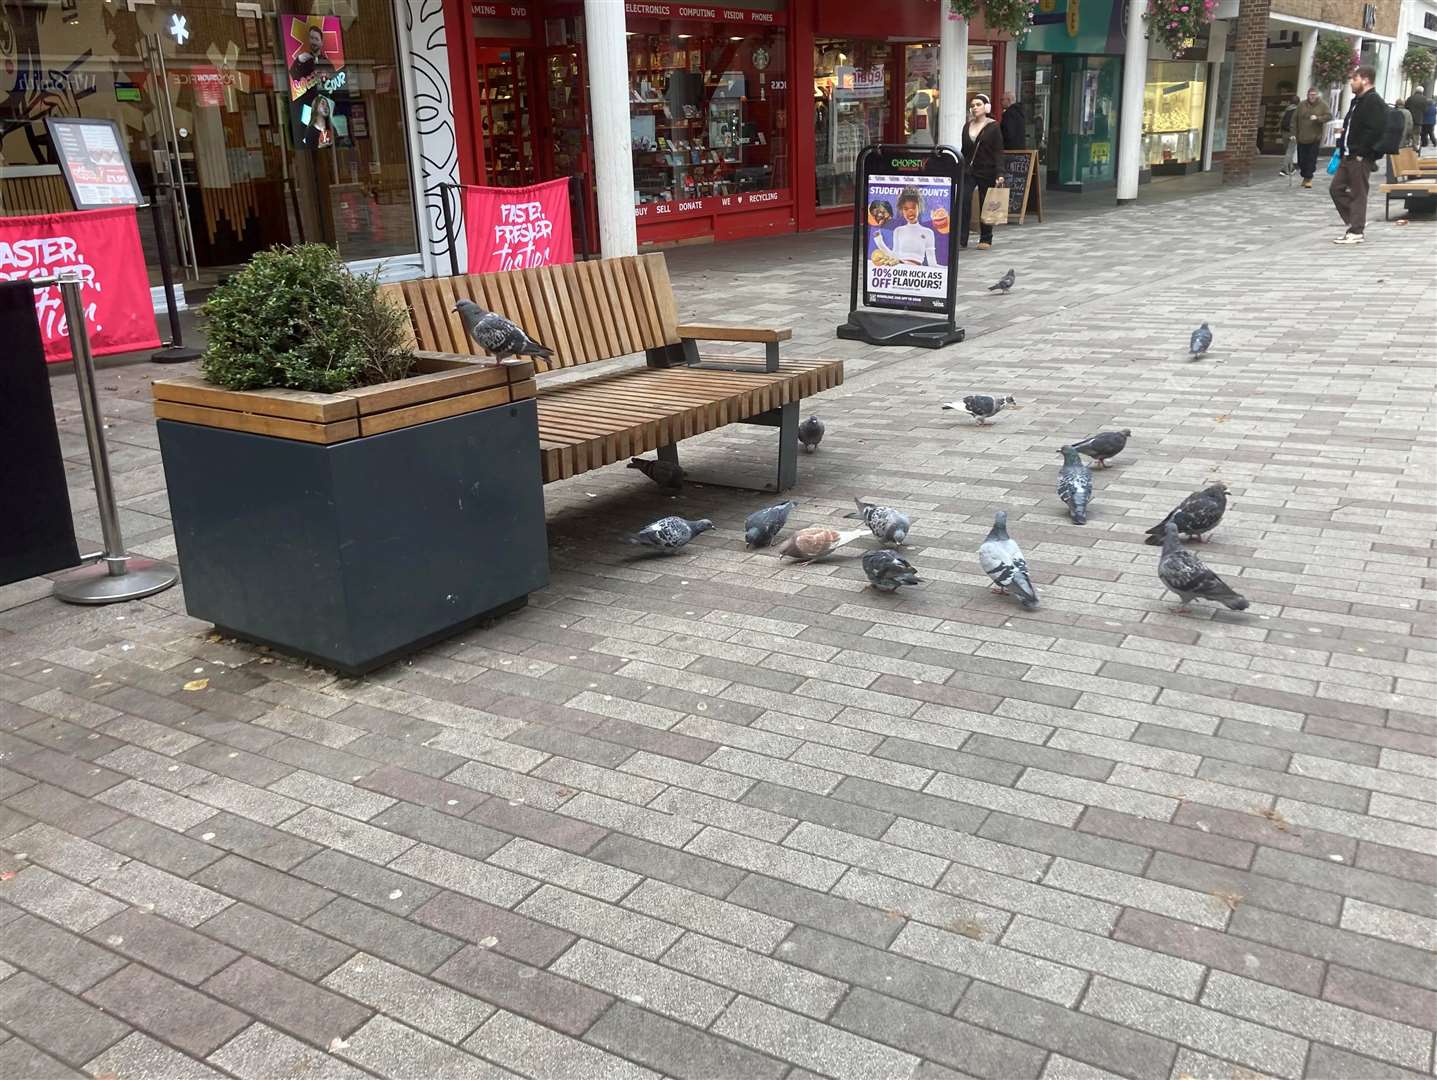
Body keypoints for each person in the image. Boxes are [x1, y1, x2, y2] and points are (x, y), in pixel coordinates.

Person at [1331, 65, 1386, 245]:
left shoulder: (1374, 101)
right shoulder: (1358, 101)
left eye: (1354, 79)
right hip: (1347, 154)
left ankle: (1356, 230)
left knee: (1358, 193)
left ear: (1365, 80)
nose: (1351, 83)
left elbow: (1376, 130)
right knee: (1336, 189)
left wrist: (1363, 152)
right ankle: (1357, 221)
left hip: (1360, 156)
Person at [959, 93, 1005, 250]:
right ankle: (961, 239)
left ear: (986, 107)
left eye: (978, 104)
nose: (974, 108)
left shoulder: (993, 126)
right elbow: (964, 150)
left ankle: (986, 237)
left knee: (988, 202)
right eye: (972, 106)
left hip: (988, 170)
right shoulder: (967, 126)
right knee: (963, 200)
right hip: (969, 170)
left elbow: (998, 151)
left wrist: (1000, 173)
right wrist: (958, 166)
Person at [1294, 87, 1331, 188]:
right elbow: (1294, 119)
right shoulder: (1301, 105)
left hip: (1315, 137)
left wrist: (1318, 118)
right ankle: (1305, 175)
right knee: (1302, 160)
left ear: (1317, 95)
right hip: (1301, 137)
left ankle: (1308, 178)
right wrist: (1293, 133)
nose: (1312, 97)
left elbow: (1329, 116)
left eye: (1314, 95)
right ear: (1307, 95)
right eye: (1310, 95)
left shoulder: (1322, 105)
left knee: (1311, 159)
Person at [891, 187, 937, 265]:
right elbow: (895, 256)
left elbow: (932, 262)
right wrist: (879, 241)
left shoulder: (928, 233)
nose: (910, 211)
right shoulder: (898, 231)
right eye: (906, 209)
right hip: (900, 270)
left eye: (913, 207)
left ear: (919, 208)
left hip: (917, 273)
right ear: (902, 211)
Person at [1277, 96, 1298, 176]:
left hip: (1284, 132)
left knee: (1287, 152)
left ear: (1290, 102)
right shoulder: (1298, 111)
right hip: (1292, 133)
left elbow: (1280, 119)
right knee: (1290, 152)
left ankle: (1291, 169)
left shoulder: (1286, 110)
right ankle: (1284, 170)